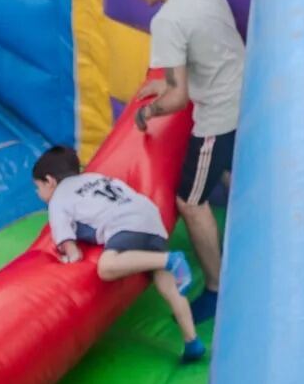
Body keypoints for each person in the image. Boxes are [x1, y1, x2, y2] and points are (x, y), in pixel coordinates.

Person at [129, 0, 244, 325]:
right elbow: (209, 47)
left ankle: (217, 288)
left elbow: (178, 100)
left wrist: (149, 111)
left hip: (220, 114)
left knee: (190, 201)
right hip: (249, 94)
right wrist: (168, 85)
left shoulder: (165, 21)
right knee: (234, 175)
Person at [32, 146, 204, 363]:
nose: (38, 194)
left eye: (37, 187)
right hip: (149, 214)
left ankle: (170, 260)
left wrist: (69, 256)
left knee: (106, 267)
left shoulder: (58, 200)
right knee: (166, 282)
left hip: (124, 223)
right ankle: (192, 341)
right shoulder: (95, 177)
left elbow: (69, 245)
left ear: (50, 181)